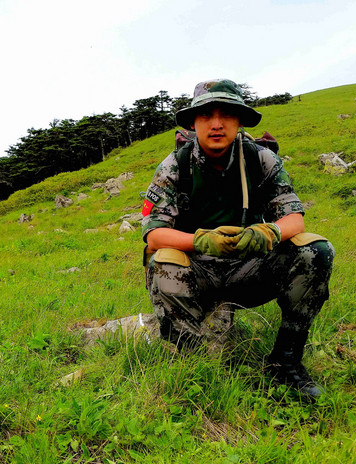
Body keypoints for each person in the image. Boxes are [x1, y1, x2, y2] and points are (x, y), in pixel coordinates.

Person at [141, 79, 334, 400]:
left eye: (227, 114)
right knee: (163, 260)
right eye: (206, 115)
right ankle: (195, 366)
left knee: (315, 249)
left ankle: (285, 361)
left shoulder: (260, 160)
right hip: (197, 276)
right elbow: (155, 233)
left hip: (250, 271)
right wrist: (203, 241)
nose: (216, 124)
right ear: (193, 122)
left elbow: (294, 219)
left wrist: (267, 233)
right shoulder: (175, 165)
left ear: (240, 120)